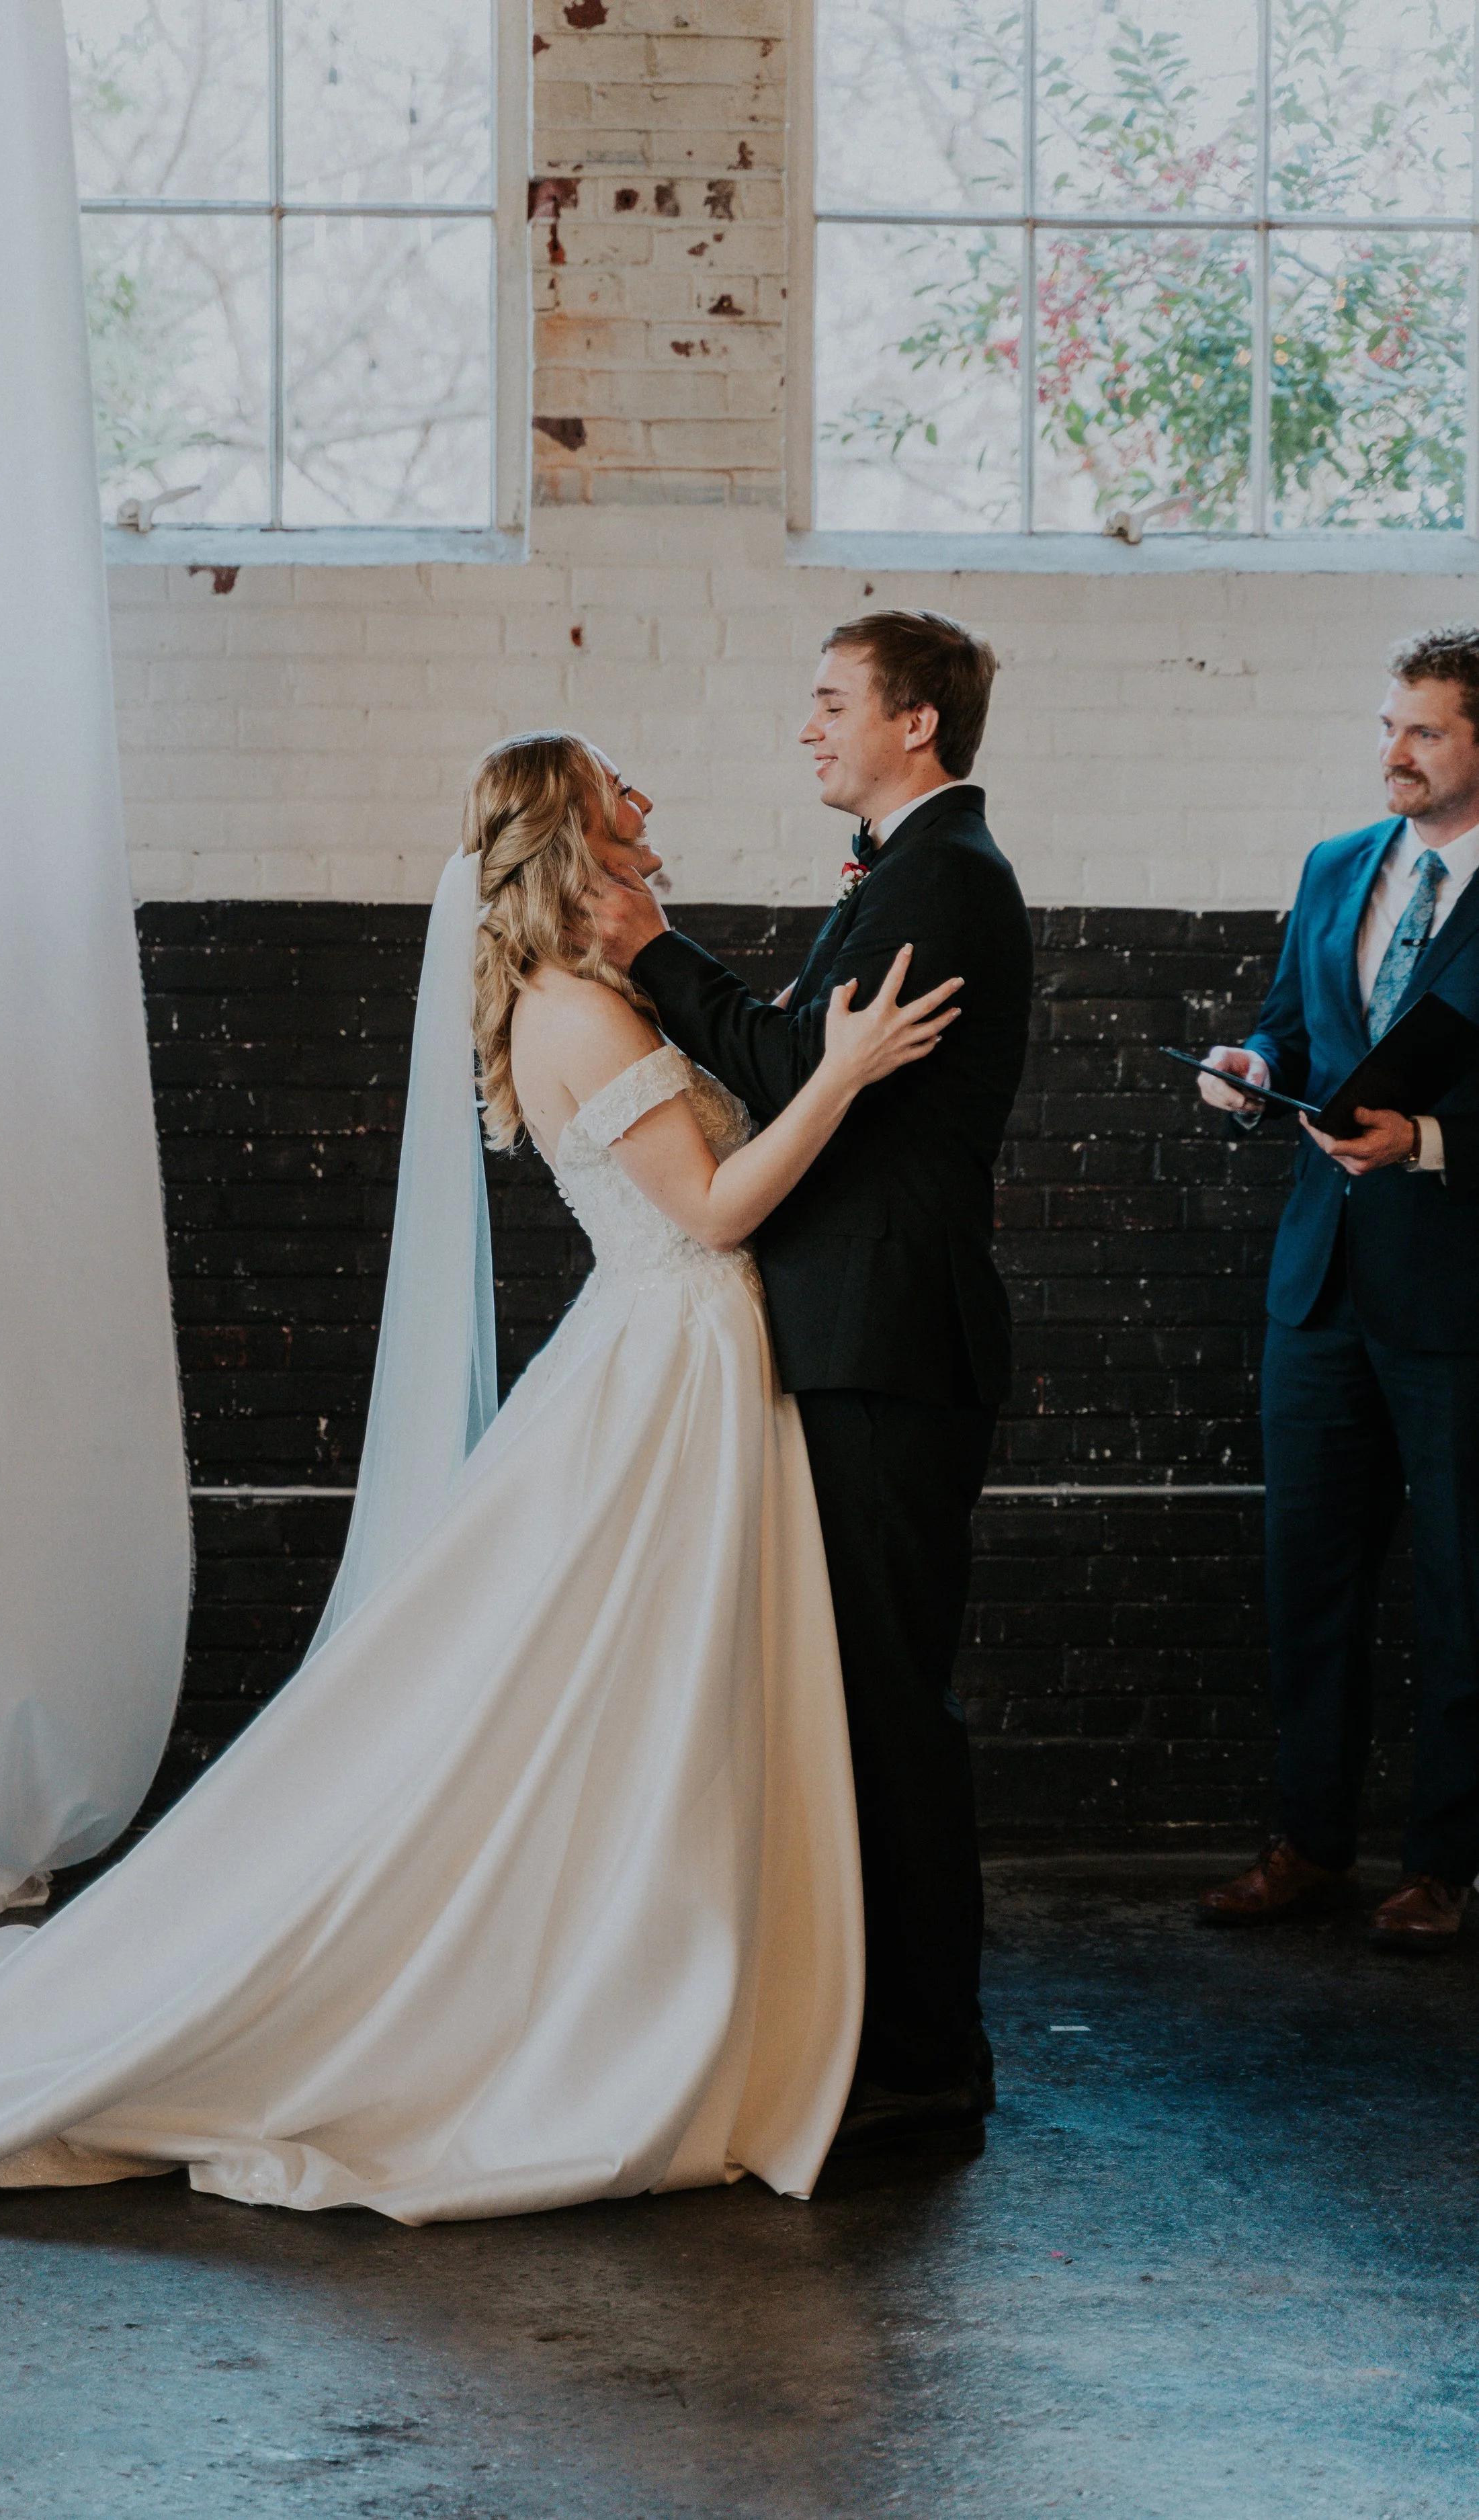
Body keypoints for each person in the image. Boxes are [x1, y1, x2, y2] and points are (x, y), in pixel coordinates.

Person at [0, 731, 962, 2223]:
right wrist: (846, 1076)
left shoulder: (599, 993)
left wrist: (790, 1034)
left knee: (656, 1695)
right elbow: (719, 1208)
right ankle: (623, 2004)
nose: (646, 799)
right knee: (632, 1691)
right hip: (671, 1370)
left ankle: (695, 1987)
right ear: (568, 828)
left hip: (690, 1370)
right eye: (619, 786)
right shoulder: (569, 1015)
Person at [592, 612, 1034, 2146]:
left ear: (914, 725)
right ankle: (875, 2027)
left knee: (889, 1706)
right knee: (855, 1696)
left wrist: (648, 949)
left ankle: (925, 2059)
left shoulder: (942, 879)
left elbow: (795, 1074)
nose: (807, 727)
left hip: (887, 1342)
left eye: (830, 701)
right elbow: (802, 1058)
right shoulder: (913, 872)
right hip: (859, 1334)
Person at [1197, 627, 1479, 1949]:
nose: (1392, 754)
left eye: (1420, 732)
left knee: (1458, 1584)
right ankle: (1307, 1842)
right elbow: (1290, 1029)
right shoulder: (1332, 867)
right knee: (1306, 1574)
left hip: (1455, 1291)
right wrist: (1247, 1066)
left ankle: (1444, 1866)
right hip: (1315, 1286)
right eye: (1386, 727)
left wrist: (1425, 1141)